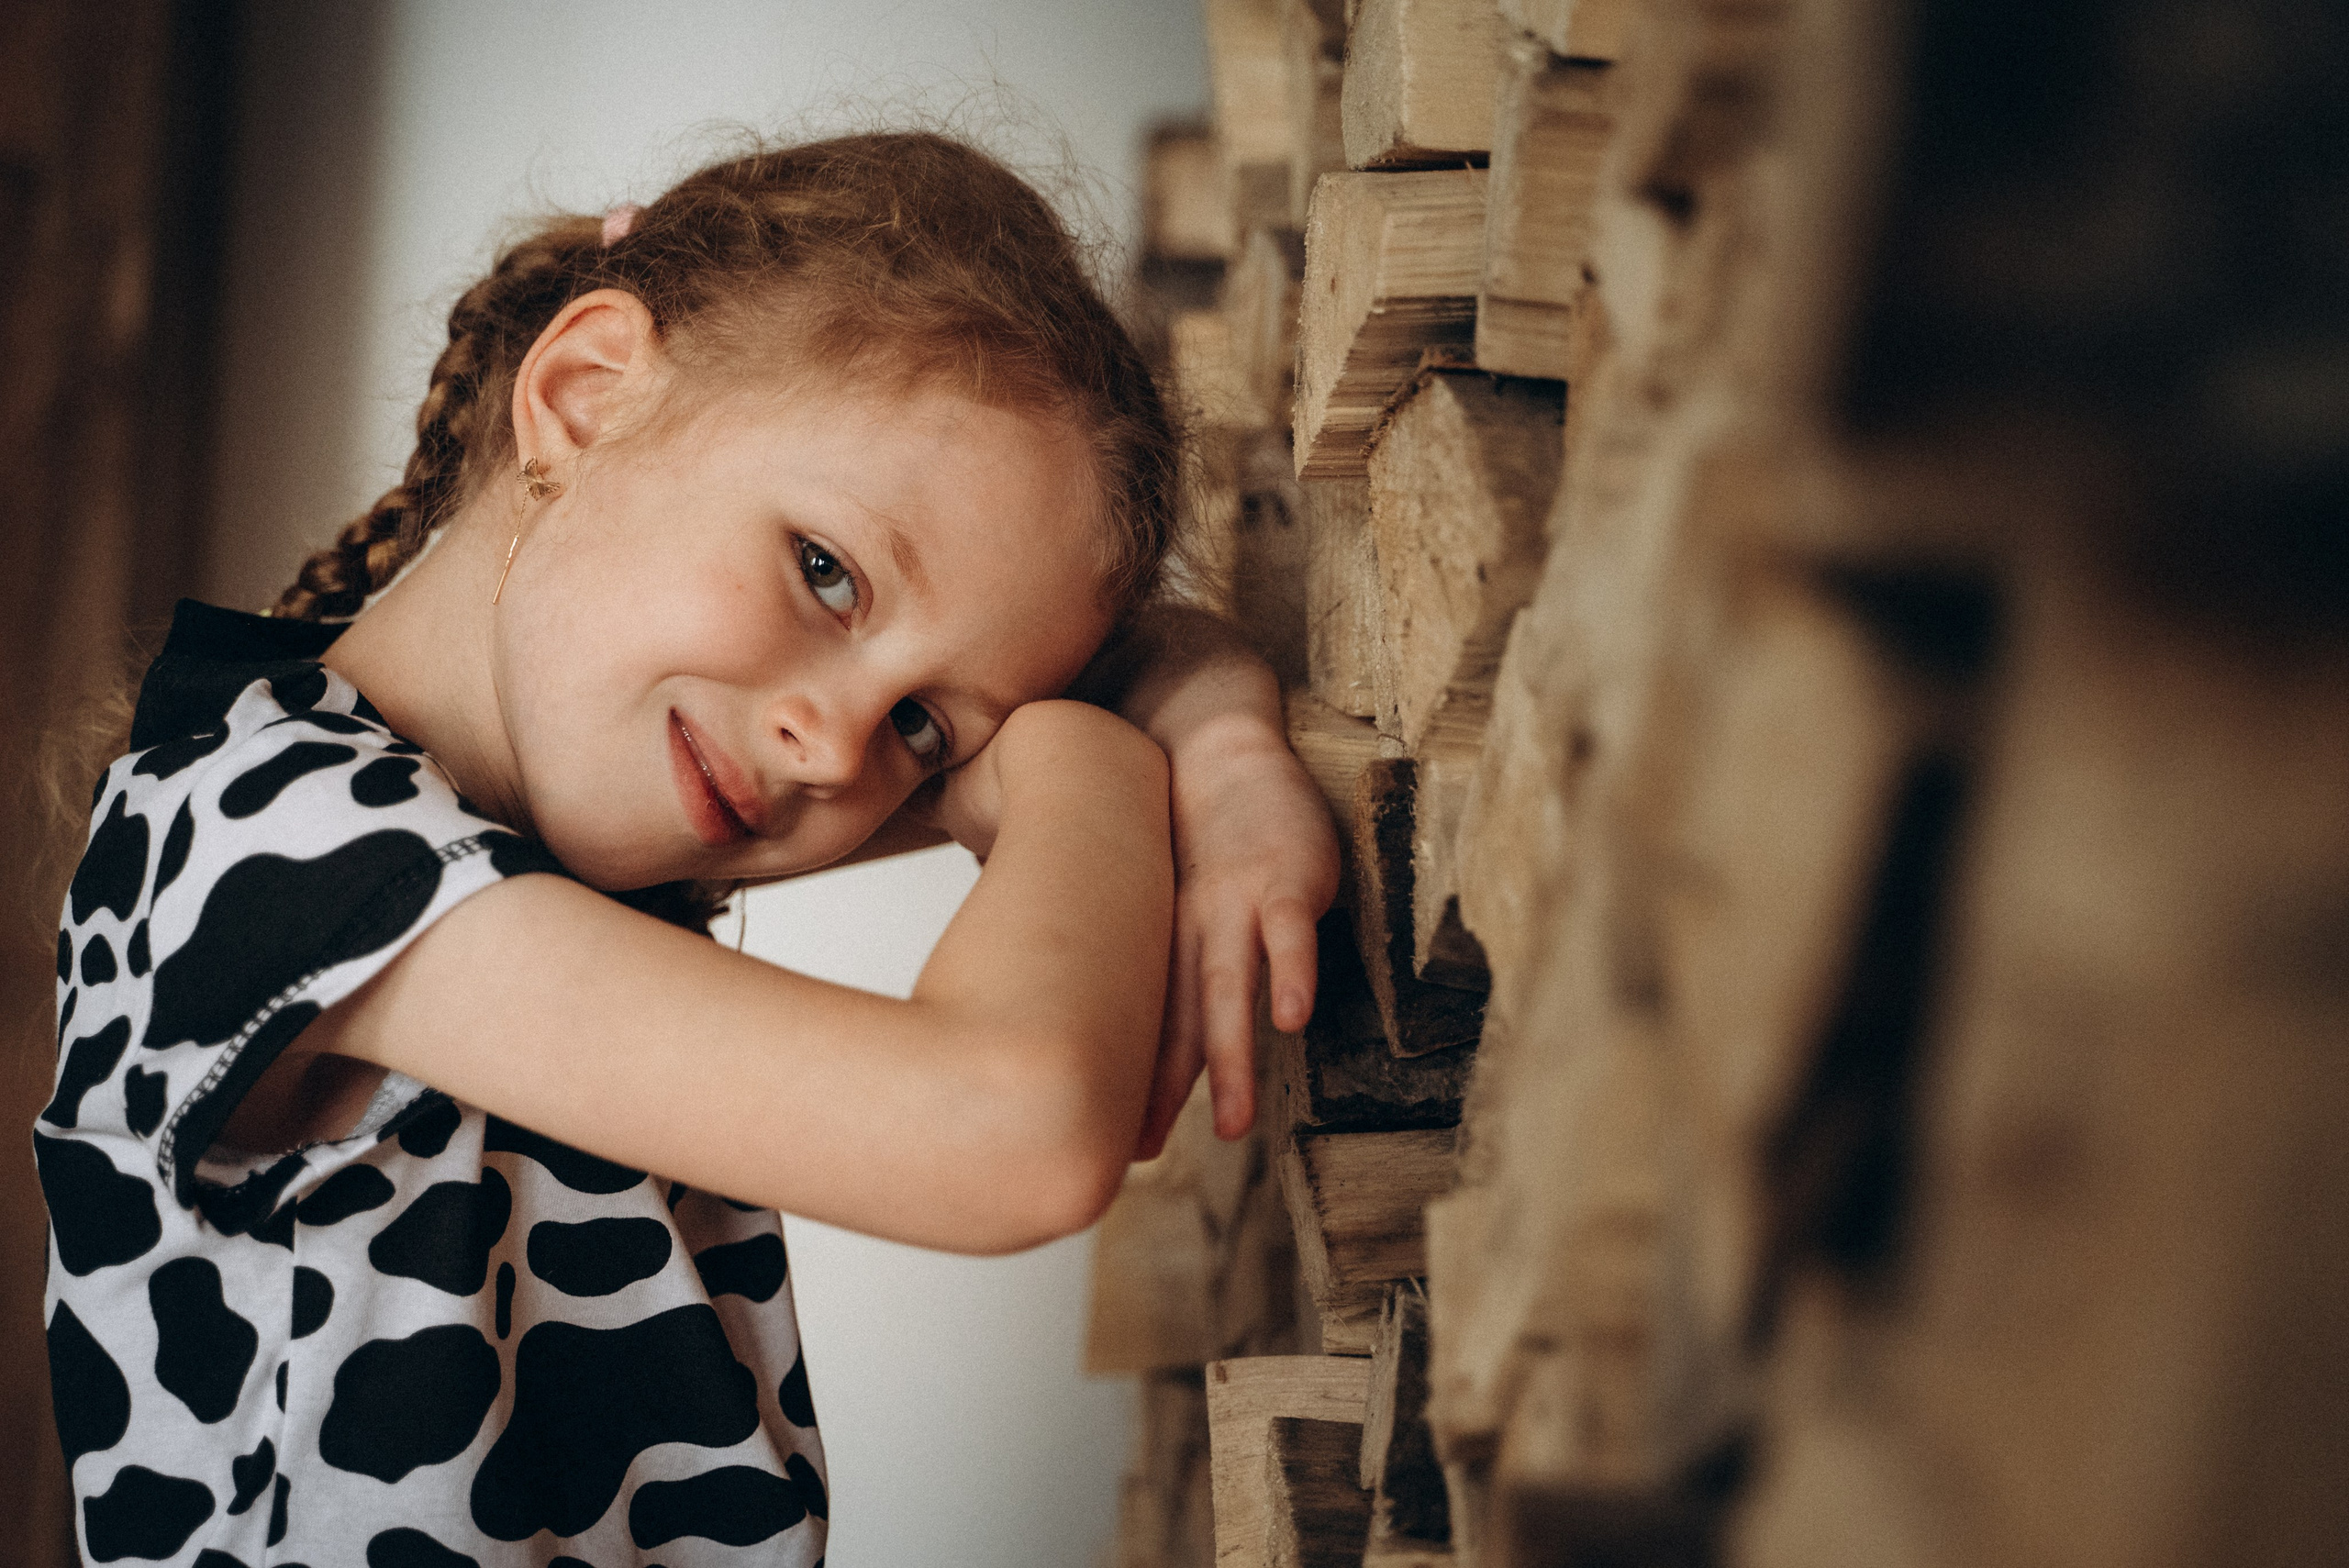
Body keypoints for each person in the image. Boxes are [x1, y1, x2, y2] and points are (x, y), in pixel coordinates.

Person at [38, 132, 1337, 1566]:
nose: (839, 749)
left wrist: (1219, 754)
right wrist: (1089, 756)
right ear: (586, 400)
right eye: (825, 570)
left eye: (923, 725)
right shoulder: (275, 831)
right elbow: (1012, 1133)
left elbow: (1148, 650)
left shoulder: (584, 818)